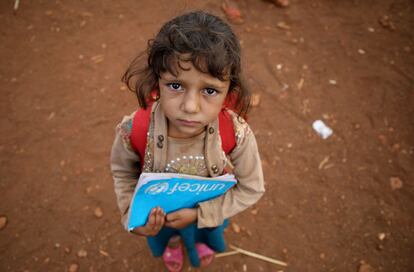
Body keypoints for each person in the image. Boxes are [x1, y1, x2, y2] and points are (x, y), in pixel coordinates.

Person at [110, 11, 265, 272]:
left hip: (207, 215)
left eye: (210, 90)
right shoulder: (133, 130)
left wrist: (200, 215)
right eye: (175, 85)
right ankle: (171, 242)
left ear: (230, 90)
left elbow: (252, 188)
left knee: (204, 234)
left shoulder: (236, 134)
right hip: (157, 219)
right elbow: (123, 174)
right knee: (167, 233)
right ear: (156, 79)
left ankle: (202, 241)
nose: (190, 106)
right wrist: (135, 219)